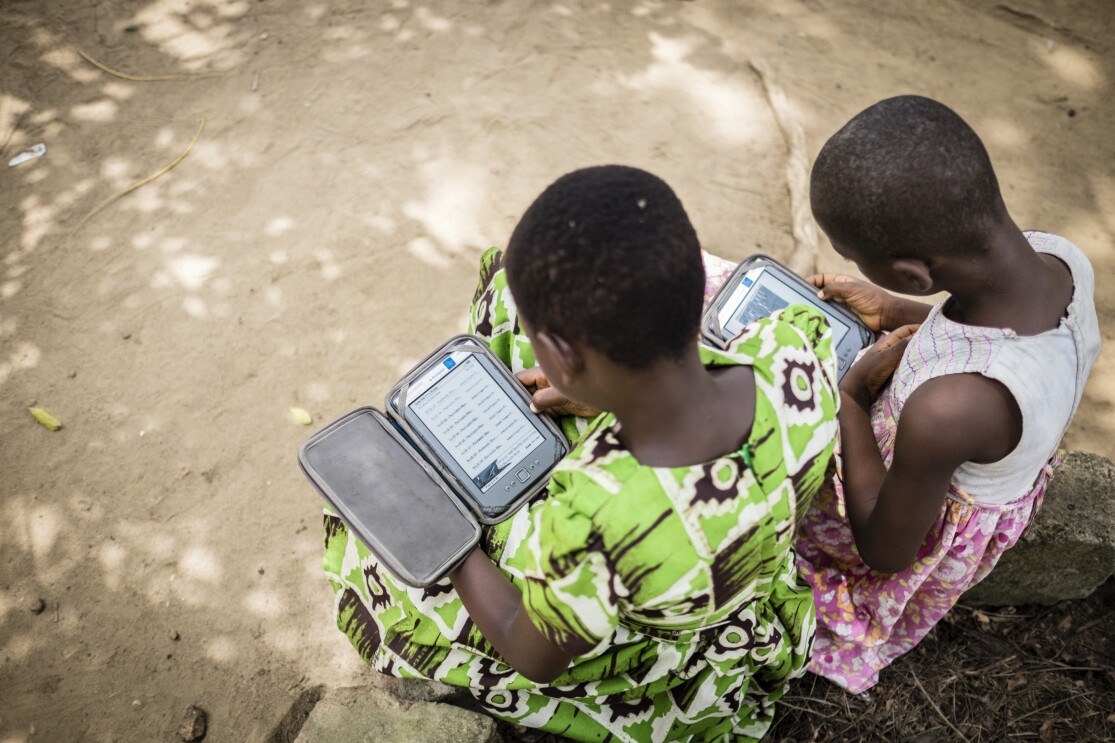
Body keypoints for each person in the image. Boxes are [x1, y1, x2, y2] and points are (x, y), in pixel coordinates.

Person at [322, 165, 841, 740]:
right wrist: (605, 397)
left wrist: (447, 537)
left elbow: (532, 654)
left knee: (370, 528)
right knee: (506, 291)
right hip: (734, 572)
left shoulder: (595, 508)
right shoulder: (795, 346)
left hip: (657, 647)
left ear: (564, 359)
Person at [794, 95, 1102, 694]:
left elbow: (885, 549)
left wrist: (851, 399)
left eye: (858, 256)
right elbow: (985, 335)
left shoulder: (950, 407)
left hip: (897, 515)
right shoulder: (1059, 257)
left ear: (914, 270)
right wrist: (901, 310)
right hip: (929, 455)